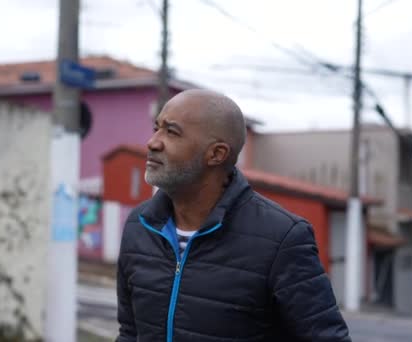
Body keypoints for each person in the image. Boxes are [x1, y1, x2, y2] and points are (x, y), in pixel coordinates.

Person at [117, 89, 351, 342]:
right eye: (156, 128)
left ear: (216, 154)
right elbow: (130, 333)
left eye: (172, 132)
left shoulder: (282, 238)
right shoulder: (140, 225)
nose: (153, 142)